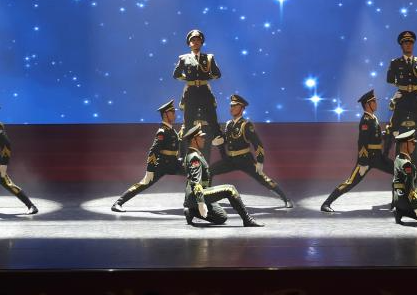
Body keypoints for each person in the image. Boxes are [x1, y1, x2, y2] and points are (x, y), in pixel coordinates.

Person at [211, 94, 294, 208]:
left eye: (235, 106)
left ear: (242, 108)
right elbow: (228, 139)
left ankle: (286, 198)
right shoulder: (229, 124)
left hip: (245, 159)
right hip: (231, 160)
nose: (232, 108)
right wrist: (219, 141)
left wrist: (260, 161)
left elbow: (257, 144)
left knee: (264, 180)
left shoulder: (246, 125)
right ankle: (207, 197)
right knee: (209, 171)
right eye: (231, 106)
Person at [320, 90, 393, 212]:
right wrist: (363, 162)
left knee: (398, 172)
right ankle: (326, 203)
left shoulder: (373, 118)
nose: (376, 104)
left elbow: (375, 136)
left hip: (378, 157)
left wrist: (386, 134)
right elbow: (362, 142)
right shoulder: (365, 120)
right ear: (367, 104)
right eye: (374, 102)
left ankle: (397, 202)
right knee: (350, 182)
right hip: (367, 159)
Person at [112, 100, 186, 211]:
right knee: (144, 183)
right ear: (165, 115)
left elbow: (174, 142)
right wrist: (150, 170)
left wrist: (182, 132)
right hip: (162, 165)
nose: (175, 114)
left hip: (173, 163)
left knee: (194, 173)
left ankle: (194, 202)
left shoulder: (171, 130)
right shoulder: (162, 131)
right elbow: (153, 150)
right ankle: (118, 203)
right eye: (172, 112)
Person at [183, 125, 262, 227]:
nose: (203, 139)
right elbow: (195, 182)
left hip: (197, 194)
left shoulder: (193, 154)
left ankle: (191, 211)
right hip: (196, 195)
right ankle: (247, 220)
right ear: (194, 140)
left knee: (221, 217)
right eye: (201, 137)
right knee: (230, 189)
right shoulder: (194, 157)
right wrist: (201, 202)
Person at [173, 29, 224, 158]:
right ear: (189, 43)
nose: (195, 42)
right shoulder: (183, 58)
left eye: (198, 40)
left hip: (204, 90)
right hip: (191, 91)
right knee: (188, 122)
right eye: (193, 40)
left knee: (212, 118)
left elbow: (217, 74)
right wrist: (187, 79)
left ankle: (219, 142)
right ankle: (183, 152)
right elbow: (176, 74)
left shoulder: (208, 58)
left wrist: (206, 78)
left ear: (201, 43)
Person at [386, 30, 417, 165]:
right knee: (393, 127)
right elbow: (390, 79)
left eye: (410, 43)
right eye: (406, 43)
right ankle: (384, 154)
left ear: (413, 45)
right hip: (402, 97)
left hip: (416, 97)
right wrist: (402, 87)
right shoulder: (395, 63)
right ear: (401, 45)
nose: (408, 45)